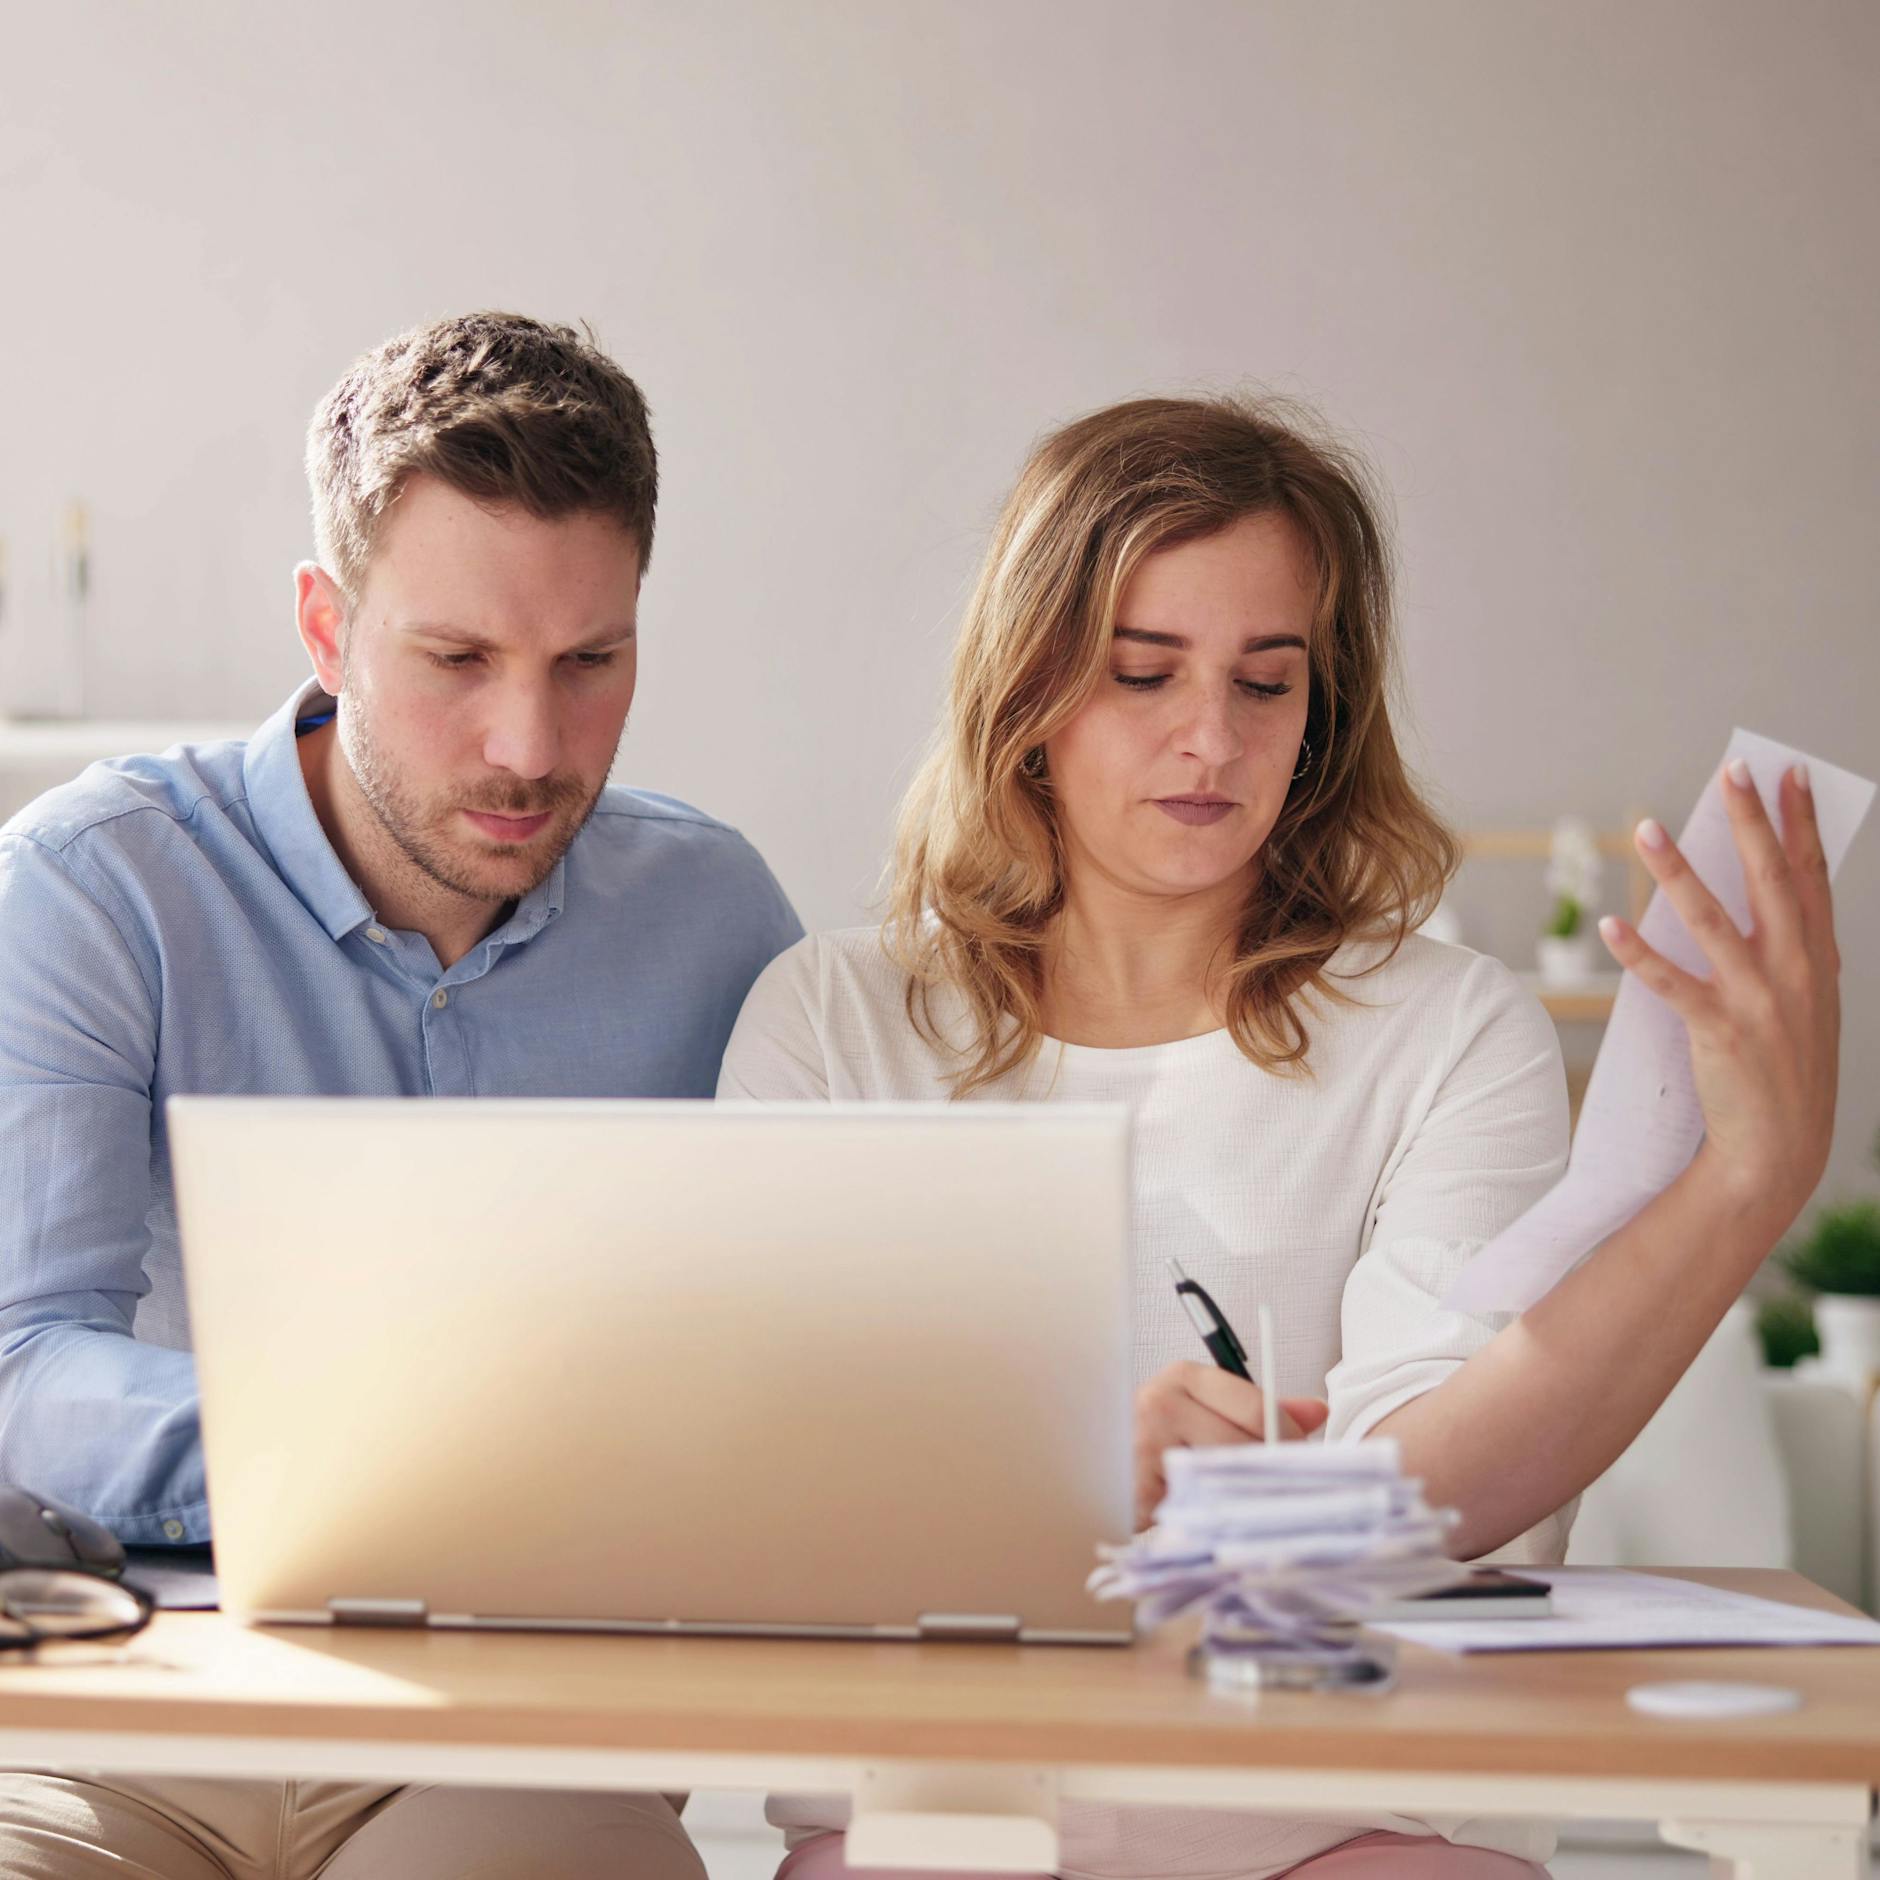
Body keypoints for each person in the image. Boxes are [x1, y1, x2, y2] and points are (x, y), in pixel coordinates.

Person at [719, 394, 1840, 1879]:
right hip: (948, 1815)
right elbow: (761, 1474)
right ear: (1028, 689)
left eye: (1268, 681)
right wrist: (1073, 1488)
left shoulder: (1451, 1029)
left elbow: (1452, 1472)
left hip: (1356, 1814)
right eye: (1144, 672)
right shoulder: (834, 1017)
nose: (1212, 739)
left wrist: (1749, 1181)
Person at [0, 311, 800, 1876]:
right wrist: (398, 1453)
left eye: (590, 663)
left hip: (510, 1729)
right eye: (456, 661)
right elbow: (23, 1368)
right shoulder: (90, 889)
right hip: (125, 1703)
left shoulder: (714, 918)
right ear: (325, 625)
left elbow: (797, 1345)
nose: (530, 744)